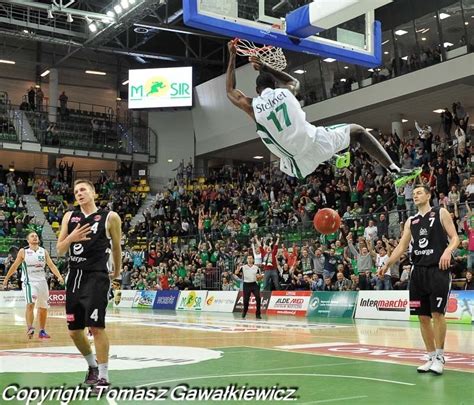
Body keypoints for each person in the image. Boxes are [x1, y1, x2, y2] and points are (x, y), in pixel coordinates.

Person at [225, 40, 420, 187]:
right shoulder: (286, 92)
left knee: (289, 145)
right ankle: (395, 170)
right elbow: (294, 82)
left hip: (297, 165)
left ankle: (332, 158)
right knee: (358, 132)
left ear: (257, 90)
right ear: (274, 85)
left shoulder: (253, 105)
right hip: (316, 142)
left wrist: (233, 55)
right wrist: (266, 66)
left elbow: (230, 91)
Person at [379, 184, 459, 375]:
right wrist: (387, 264)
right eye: (413, 193)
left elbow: (455, 238)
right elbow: (401, 247)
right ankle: (430, 356)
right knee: (422, 317)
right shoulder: (411, 221)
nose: (415, 196)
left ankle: (440, 356)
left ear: (428, 195)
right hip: (418, 273)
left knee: (437, 314)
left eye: (419, 193)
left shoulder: (440, 213)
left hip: (438, 270)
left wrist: (448, 251)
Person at [57, 179, 122, 392]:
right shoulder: (69, 216)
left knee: (96, 326)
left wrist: (117, 274)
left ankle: (103, 377)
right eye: (76, 191)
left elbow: (116, 248)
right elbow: (59, 249)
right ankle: (92, 366)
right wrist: (72, 237)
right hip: (75, 276)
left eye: (83, 189)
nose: (79, 193)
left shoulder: (110, 217)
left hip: (97, 276)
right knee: (74, 331)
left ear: (93, 192)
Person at [2, 231, 64, 339]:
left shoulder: (43, 251)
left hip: (42, 282)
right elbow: (15, 266)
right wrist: (6, 278)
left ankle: (42, 331)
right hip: (29, 282)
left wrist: (59, 276)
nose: (35, 237)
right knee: (30, 304)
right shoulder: (23, 251)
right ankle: (30, 327)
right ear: (28, 240)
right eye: (32, 236)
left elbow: (51, 265)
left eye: (36, 236)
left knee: (43, 307)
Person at [240, 255, 262, 319]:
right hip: (246, 285)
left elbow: (258, 277)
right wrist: (237, 271)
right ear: (247, 260)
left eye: (251, 258)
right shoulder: (243, 267)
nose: (249, 259)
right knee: (246, 300)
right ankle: (244, 311)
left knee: (258, 298)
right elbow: (237, 273)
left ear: (253, 260)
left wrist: (260, 277)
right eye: (248, 258)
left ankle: (258, 314)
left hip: (254, 284)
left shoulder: (256, 268)